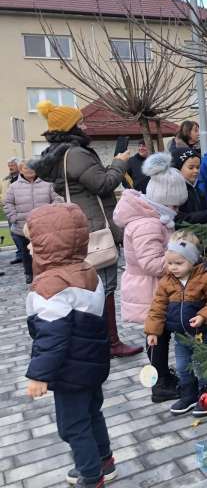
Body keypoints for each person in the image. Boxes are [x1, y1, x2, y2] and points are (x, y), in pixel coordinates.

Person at [30, 100, 142, 358]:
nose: (85, 125)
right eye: (80, 122)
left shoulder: (58, 155)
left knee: (88, 287)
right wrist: (119, 162)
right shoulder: (77, 153)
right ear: (71, 127)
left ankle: (96, 342)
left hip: (79, 226)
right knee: (104, 286)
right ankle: (110, 343)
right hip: (95, 229)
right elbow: (103, 184)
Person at [25, 203, 116, 488]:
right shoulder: (87, 270)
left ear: (49, 245)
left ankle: (91, 475)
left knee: (73, 426)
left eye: (33, 241)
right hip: (91, 364)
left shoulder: (50, 286)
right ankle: (105, 461)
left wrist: (39, 374)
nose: (29, 247)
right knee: (92, 413)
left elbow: (52, 337)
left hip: (69, 371)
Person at [113, 152, 188, 404]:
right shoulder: (148, 224)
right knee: (157, 336)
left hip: (154, 288)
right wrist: (181, 263)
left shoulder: (155, 218)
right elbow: (151, 263)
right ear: (165, 200)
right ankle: (160, 386)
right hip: (149, 290)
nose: (177, 210)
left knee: (159, 335)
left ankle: (163, 375)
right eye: (176, 205)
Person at [145, 230, 207, 416]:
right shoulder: (167, 282)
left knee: (201, 366)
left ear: (192, 260)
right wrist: (153, 332)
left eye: (178, 263)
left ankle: (206, 396)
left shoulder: (206, 277)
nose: (173, 267)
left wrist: (203, 316)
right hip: (180, 336)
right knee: (182, 366)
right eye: (169, 263)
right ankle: (188, 395)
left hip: (201, 335)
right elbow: (157, 308)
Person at [3, 160, 63, 283]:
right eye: (26, 168)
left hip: (45, 225)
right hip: (22, 226)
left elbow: (58, 199)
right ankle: (29, 274)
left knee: (46, 251)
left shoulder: (48, 184)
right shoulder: (14, 186)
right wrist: (13, 217)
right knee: (26, 253)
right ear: (21, 170)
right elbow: (8, 203)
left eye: (32, 168)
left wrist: (51, 214)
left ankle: (47, 273)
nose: (29, 170)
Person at [172, 147, 207, 226]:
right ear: (178, 168)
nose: (196, 171)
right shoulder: (174, 191)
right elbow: (178, 219)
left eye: (198, 167)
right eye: (191, 168)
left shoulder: (197, 190)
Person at [2, 157, 22, 264]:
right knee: (13, 233)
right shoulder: (5, 180)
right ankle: (20, 254)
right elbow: (2, 193)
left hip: (21, 208)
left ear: (18, 166)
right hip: (9, 209)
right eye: (9, 165)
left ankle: (26, 254)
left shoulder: (23, 178)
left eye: (12, 165)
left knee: (24, 233)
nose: (10, 167)